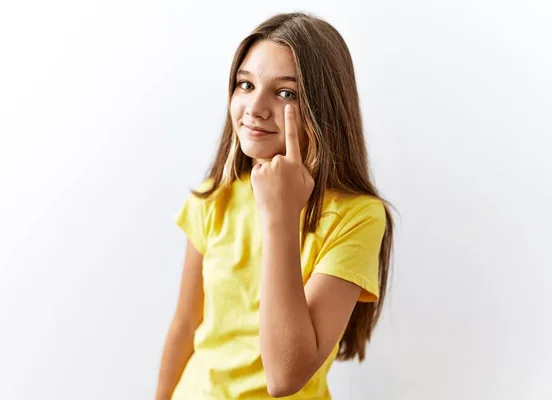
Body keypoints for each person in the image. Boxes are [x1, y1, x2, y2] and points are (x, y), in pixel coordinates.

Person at [154, 11, 395, 400]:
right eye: (245, 84)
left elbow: (285, 376)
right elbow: (185, 324)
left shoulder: (358, 216)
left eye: (286, 93)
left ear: (323, 107)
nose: (255, 107)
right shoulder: (213, 197)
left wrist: (280, 217)